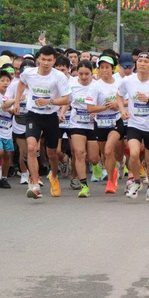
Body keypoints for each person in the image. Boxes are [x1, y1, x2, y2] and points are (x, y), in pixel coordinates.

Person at [13, 46, 72, 199]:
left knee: (52, 154)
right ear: (38, 59)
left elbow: (66, 99)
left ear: (54, 61)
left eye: (49, 60)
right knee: (31, 148)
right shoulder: (29, 73)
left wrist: (49, 101)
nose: (45, 63)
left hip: (51, 116)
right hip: (33, 115)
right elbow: (21, 83)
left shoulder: (59, 77)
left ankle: (54, 176)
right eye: (43, 59)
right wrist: (17, 101)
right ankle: (35, 183)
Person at [118, 52, 149, 202]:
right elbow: (119, 95)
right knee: (133, 154)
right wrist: (122, 110)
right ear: (136, 64)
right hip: (134, 124)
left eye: (146, 61)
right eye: (140, 61)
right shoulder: (128, 80)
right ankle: (136, 181)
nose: (142, 64)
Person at [88, 54, 125, 194]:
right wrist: (105, 107)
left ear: (113, 69)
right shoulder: (95, 86)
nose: (104, 70)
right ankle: (112, 173)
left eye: (107, 67)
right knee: (105, 153)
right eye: (102, 67)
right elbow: (90, 108)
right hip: (100, 123)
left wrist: (117, 104)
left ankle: (110, 182)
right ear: (98, 69)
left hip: (116, 121)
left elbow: (127, 100)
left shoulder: (119, 84)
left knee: (109, 150)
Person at [65, 60, 99, 198]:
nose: (84, 77)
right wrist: (62, 112)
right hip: (76, 123)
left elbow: (103, 103)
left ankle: (96, 164)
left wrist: (96, 111)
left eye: (87, 74)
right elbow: (66, 101)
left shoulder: (97, 85)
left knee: (93, 158)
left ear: (91, 73)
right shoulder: (71, 85)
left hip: (93, 124)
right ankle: (84, 185)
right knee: (79, 153)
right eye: (81, 74)